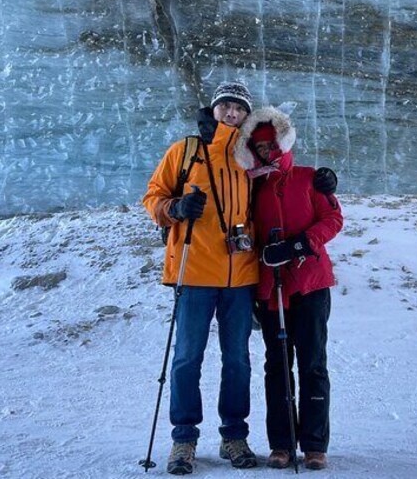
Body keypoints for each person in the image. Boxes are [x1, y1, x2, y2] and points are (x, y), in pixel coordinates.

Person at [142, 82, 260, 475]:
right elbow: (152, 198)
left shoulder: (250, 157)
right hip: (193, 271)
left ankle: (233, 435)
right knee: (187, 358)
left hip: (240, 275)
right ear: (213, 110)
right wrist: (175, 207)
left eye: (238, 108)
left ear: (247, 115)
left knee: (238, 361)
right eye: (225, 106)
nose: (231, 113)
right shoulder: (186, 151)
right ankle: (184, 440)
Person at [234, 106, 343, 471]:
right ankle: (282, 443)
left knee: (313, 364)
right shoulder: (251, 187)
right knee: (277, 366)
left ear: (283, 142)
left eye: (270, 145)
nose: (265, 152)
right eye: (259, 147)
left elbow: (333, 218)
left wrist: (299, 245)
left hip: (309, 283)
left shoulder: (309, 178)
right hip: (271, 288)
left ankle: (314, 444)